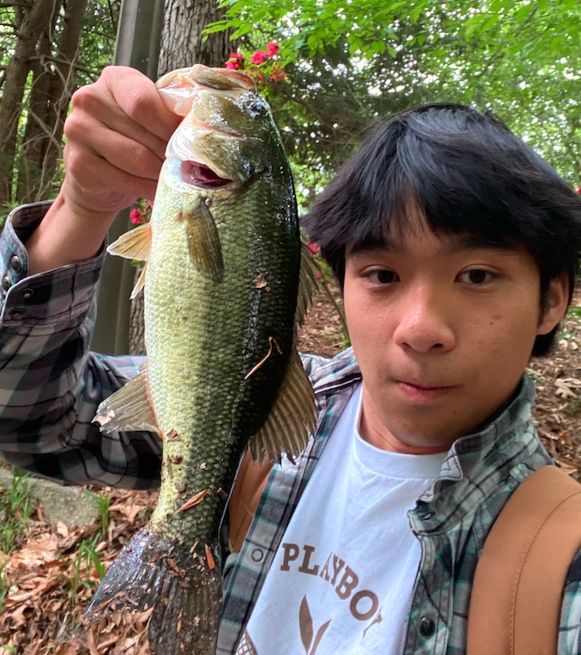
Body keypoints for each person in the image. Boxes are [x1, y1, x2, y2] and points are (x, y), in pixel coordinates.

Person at [0, 66, 580, 654]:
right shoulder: (263, 408)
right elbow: (35, 423)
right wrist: (79, 209)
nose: (421, 329)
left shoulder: (563, 567)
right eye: (382, 274)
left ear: (551, 299)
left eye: (477, 275)